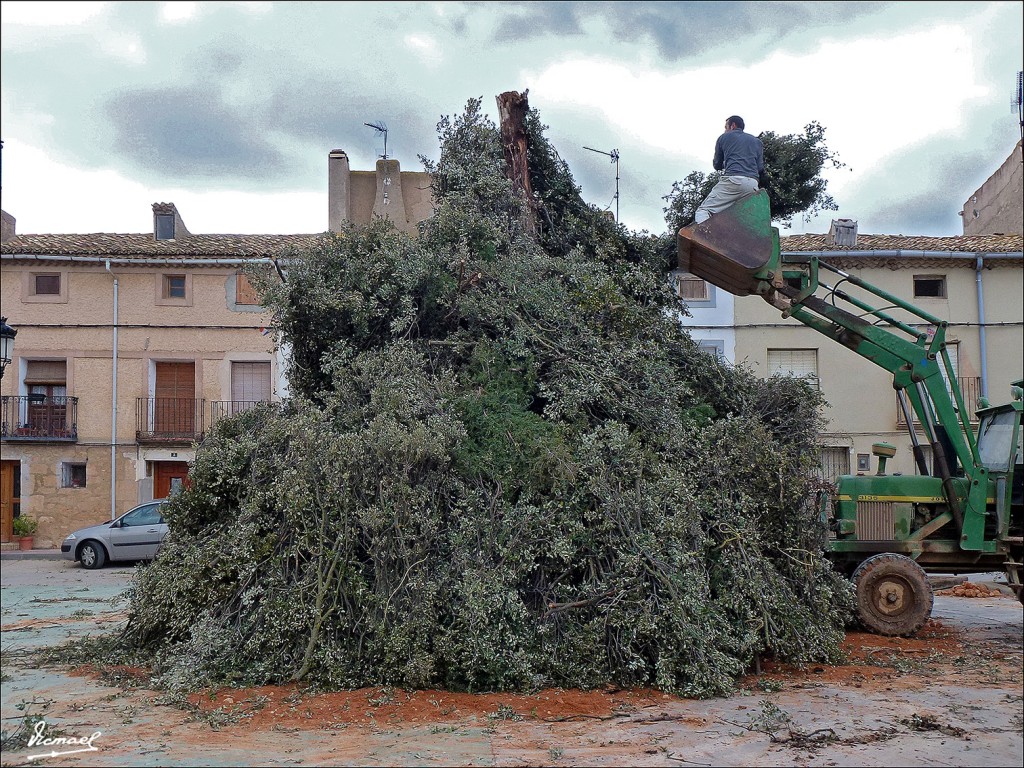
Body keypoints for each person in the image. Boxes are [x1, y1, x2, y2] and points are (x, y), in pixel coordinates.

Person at [694, 115, 764, 224]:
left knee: (703, 211)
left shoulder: (724, 137)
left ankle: (707, 238)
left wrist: (727, 162)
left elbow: (717, 164)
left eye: (725, 127)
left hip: (733, 181)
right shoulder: (757, 142)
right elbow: (760, 168)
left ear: (733, 125)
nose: (725, 130)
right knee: (737, 219)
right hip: (753, 185)